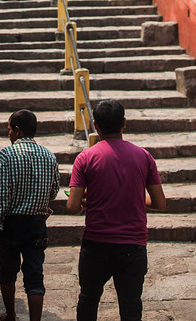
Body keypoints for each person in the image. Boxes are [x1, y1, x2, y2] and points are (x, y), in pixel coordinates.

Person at [67, 99, 166, 321]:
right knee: (131, 307)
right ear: (123, 124)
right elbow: (160, 203)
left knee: (88, 300)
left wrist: (87, 200)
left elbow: (73, 206)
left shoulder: (85, 158)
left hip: (96, 244)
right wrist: (136, 198)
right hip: (133, 244)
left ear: (95, 124)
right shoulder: (144, 156)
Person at [0, 110, 60, 321]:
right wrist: (40, 205)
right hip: (37, 224)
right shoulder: (49, 155)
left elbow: (1, 194)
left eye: (9, 129)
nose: (8, 134)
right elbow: (54, 190)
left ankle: (11, 315)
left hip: (12, 224)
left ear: (17, 130)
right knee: (35, 275)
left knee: (8, 272)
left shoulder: (7, 155)